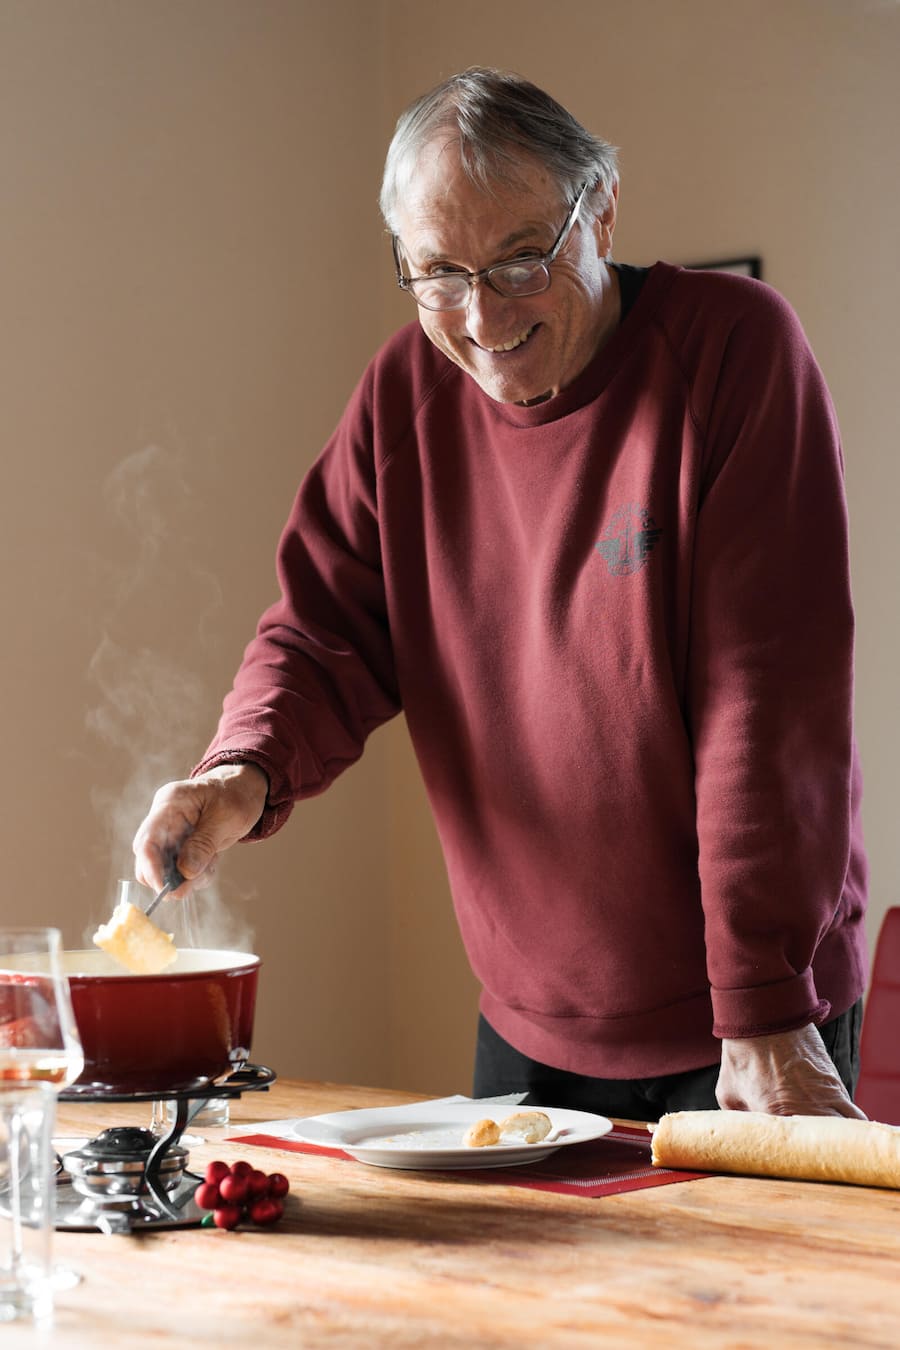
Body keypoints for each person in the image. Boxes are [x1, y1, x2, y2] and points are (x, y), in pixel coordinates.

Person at [133, 67, 869, 1122]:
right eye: (438, 272)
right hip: (528, 1027)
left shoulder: (734, 351)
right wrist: (240, 772)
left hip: (752, 1022)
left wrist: (757, 1011)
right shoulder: (403, 399)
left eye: (523, 258)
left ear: (600, 209)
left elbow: (767, 704)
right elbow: (322, 628)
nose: (482, 316)